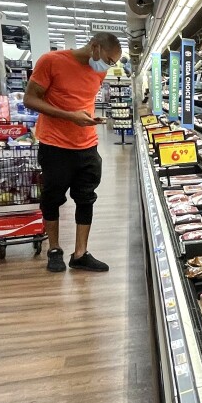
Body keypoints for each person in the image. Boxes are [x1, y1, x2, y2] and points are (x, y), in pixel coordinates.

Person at [24, 33, 122, 273]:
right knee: (52, 197)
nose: (108, 67)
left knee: (86, 197)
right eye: (109, 60)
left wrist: (88, 118)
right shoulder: (51, 61)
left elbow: (82, 101)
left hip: (87, 144)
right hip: (55, 144)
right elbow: (30, 99)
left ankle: (80, 254)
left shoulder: (99, 71)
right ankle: (54, 249)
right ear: (95, 47)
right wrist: (70, 117)